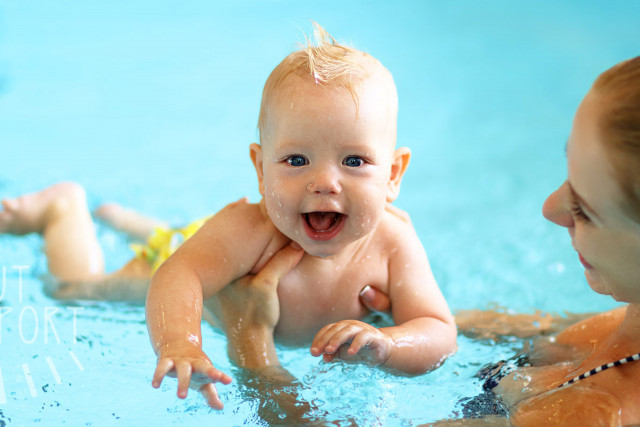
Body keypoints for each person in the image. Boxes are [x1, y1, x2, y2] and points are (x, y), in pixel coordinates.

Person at [225, 56, 640, 425]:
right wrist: (392, 321)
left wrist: (249, 345)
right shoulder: (625, 321)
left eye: (584, 209)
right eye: (567, 172)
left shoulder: (590, 414)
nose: (550, 209)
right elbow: (476, 330)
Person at [146, 21, 456, 410]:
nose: (325, 182)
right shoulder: (248, 231)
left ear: (393, 175)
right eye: (297, 160)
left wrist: (390, 344)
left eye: (354, 160)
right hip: (183, 250)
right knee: (83, 287)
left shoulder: (393, 242)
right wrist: (180, 341)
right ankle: (63, 214)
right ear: (261, 170)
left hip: (211, 249)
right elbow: (178, 273)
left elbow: (439, 332)